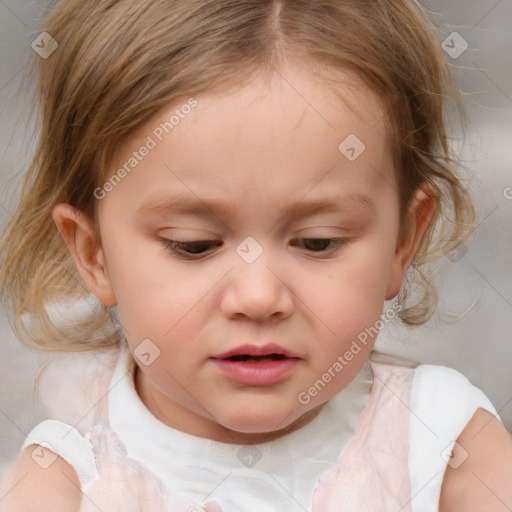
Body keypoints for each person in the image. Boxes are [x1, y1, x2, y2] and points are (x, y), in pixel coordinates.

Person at [1, 0, 511, 510]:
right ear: (95, 255)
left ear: (404, 240)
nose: (259, 296)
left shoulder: (443, 447)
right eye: (194, 245)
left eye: (318, 242)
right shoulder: (71, 481)